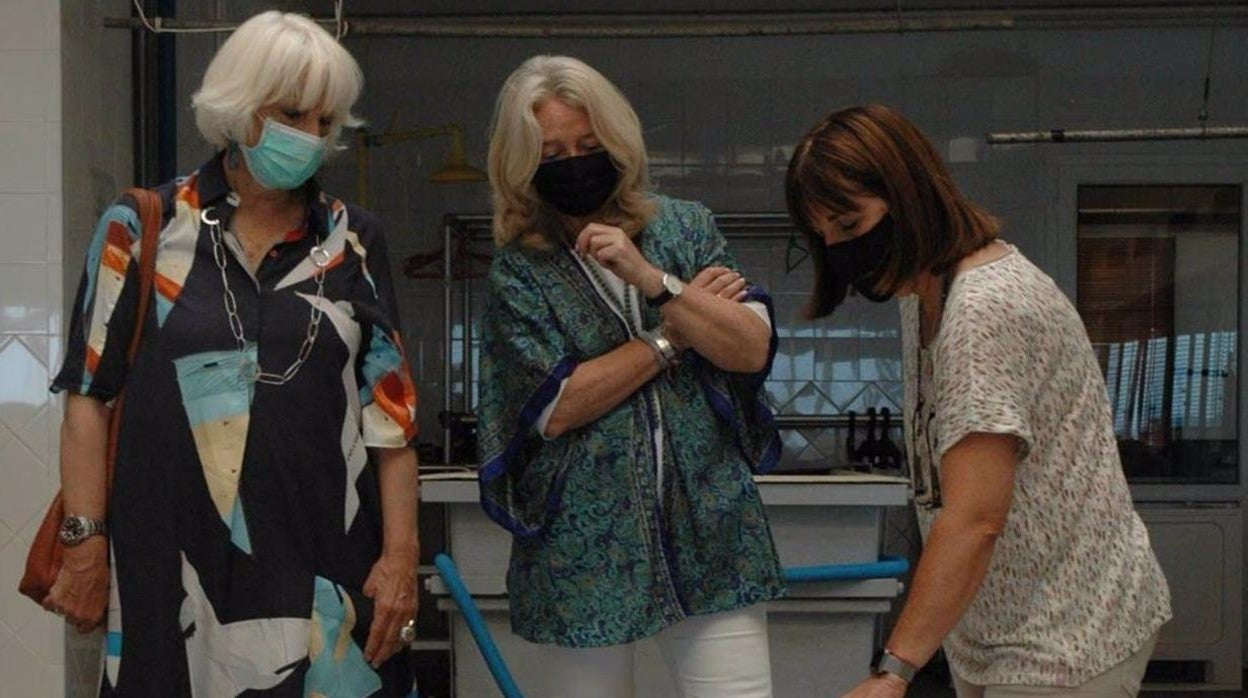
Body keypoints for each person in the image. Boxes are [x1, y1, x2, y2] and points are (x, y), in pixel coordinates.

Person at [44, 11, 421, 696]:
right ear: (240, 106)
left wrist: (401, 557)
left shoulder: (354, 241)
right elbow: (88, 398)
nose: (309, 137)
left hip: (325, 568)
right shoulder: (141, 226)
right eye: (292, 113)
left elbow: (390, 421)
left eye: (324, 122)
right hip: (169, 569)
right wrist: (83, 541)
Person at [785, 104, 1172, 698]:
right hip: (997, 628)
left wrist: (894, 671)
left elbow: (975, 519)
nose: (838, 250)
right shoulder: (923, 293)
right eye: (825, 237)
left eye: (850, 225)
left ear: (908, 196)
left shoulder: (982, 309)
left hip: (1067, 632)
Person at [477, 55, 786, 697]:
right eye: (553, 151)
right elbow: (556, 405)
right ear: (523, 165)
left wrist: (653, 281)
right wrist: (674, 334)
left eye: (589, 145)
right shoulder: (519, 272)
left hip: (712, 531)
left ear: (617, 143)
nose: (575, 162)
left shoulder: (686, 228)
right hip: (583, 549)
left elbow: (749, 345)